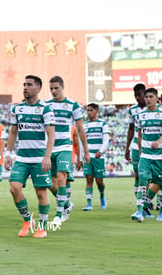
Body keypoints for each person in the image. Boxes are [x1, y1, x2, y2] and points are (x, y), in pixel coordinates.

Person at [4, 75, 55, 238]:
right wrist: (8, 153)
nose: (25, 87)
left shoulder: (46, 109)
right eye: (24, 84)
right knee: (14, 188)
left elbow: (51, 134)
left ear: (38, 88)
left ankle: (42, 227)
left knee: (41, 193)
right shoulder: (17, 109)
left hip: (39, 158)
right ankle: (27, 220)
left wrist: (47, 157)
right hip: (22, 158)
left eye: (29, 85)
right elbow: (13, 132)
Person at [45, 75, 90, 225]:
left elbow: (80, 130)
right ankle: (66, 204)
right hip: (49, 147)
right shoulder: (45, 105)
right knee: (50, 182)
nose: (53, 91)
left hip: (64, 146)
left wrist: (85, 152)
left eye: (56, 88)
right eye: (51, 88)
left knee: (61, 176)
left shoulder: (72, 105)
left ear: (63, 87)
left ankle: (58, 215)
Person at [132, 88, 162, 222]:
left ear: (156, 98)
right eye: (146, 97)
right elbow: (139, 134)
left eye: (150, 97)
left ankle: (161, 212)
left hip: (160, 156)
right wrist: (141, 150)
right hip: (146, 156)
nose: (147, 99)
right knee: (142, 180)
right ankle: (139, 211)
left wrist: (159, 141)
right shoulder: (140, 115)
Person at [82, 103, 109, 211]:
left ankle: (102, 195)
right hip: (88, 156)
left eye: (91, 110)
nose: (88, 112)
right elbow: (82, 141)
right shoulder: (84, 125)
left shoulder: (103, 124)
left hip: (98, 157)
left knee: (99, 181)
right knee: (89, 180)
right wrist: (82, 156)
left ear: (96, 111)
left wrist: (100, 151)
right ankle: (89, 204)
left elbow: (106, 140)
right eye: (87, 110)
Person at [124, 83, 146, 199]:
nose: (137, 97)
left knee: (149, 176)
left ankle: (148, 200)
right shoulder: (132, 110)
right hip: (137, 147)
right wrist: (127, 148)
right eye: (135, 95)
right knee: (138, 175)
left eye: (140, 95)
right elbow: (131, 129)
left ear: (145, 94)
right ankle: (140, 201)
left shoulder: (154, 107)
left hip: (149, 147)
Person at [61, 125, 82, 222]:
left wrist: (79, 159)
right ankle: (67, 204)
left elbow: (77, 144)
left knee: (66, 181)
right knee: (55, 182)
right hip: (55, 156)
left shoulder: (72, 128)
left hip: (68, 157)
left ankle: (65, 208)